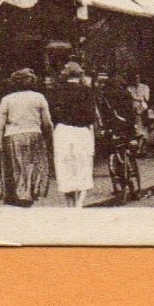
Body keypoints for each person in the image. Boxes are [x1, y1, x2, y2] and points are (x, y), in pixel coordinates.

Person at [0, 68, 52, 207]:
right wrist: (50, 137)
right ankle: (29, 193)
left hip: (12, 137)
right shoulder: (39, 97)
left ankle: (19, 196)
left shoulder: (6, 99)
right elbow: (47, 122)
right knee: (33, 165)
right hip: (34, 135)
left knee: (16, 167)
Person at [47, 61, 97, 207]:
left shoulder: (57, 91)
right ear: (80, 74)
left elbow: (53, 115)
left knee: (65, 166)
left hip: (63, 131)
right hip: (81, 132)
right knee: (82, 165)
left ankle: (69, 203)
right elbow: (91, 116)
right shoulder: (87, 91)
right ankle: (79, 204)